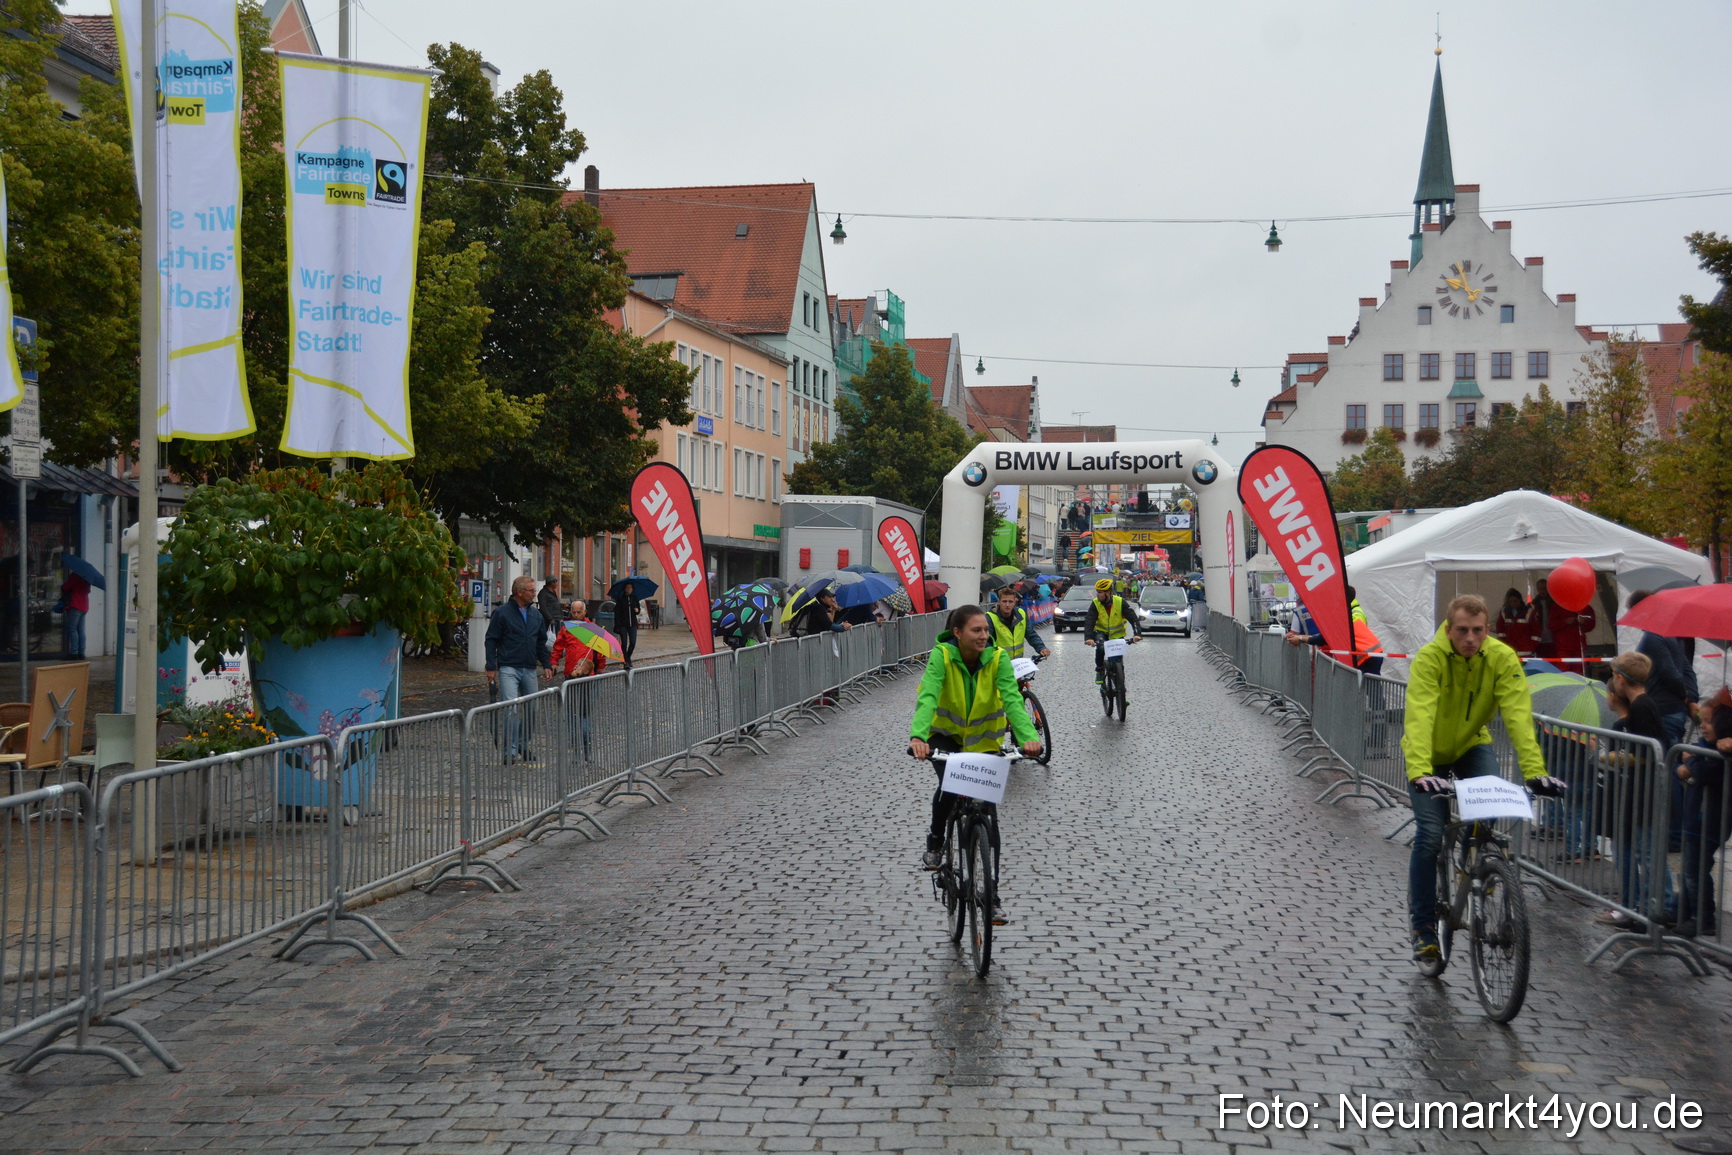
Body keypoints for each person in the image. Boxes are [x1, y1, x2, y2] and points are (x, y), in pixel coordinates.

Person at [1404, 594, 1562, 962]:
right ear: (1448, 628)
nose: (1470, 639)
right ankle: (1424, 927)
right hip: (1428, 752)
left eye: (1477, 631)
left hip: (1473, 745)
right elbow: (1419, 717)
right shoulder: (1430, 658)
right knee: (1429, 836)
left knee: (1490, 807)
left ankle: (1473, 864)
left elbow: (1519, 718)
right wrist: (1420, 771)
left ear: (1488, 629)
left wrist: (1536, 773)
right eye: (1462, 630)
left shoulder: (1502, 658)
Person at [908, 604, 1043, 925]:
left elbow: (1012, 699)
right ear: (957, 633)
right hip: (945, 738)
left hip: (984, 742)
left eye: (986, 630)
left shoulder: (998, 660)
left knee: (990, 821)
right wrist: (918, 737)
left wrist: (1027, 738)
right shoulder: (941, 656)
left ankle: (991, 896)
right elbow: (928, 695)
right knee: (951, 787)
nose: (984, 636)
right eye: (976, 630)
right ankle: (936, 840)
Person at [1596, 651, 1672, 928]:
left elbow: (1652, 750)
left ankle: (1657, 912)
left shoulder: (1642, 707)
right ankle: (1650, 909)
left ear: (1619, 679)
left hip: (1647, 790)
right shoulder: (1643, 704)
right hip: (1643, 790)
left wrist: (1612, 757)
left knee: (1649, 855)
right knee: (1645, 853)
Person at [1677, 702, 1732, 938]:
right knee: (1690, 869)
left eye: (1708, 721)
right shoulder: (1707, 746)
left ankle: (1703, 918)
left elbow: (1702, 773)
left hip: (1709, 821)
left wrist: (1689, 761)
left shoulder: (1720, 754)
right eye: (1702, 720)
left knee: (1696, 870)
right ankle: (1682, 911)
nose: (1703, 726)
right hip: (1695, 820)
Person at [485, 575, 553, 762]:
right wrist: (491, 666)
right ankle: (510, 750)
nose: (534, 594)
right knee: (511, 708)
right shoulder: (502, 613)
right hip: (508, 667)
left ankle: (522, 743)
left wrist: (546, 664)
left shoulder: (535, 615)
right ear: (520, 592)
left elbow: (541, 642)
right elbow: (491, 640)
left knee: (533, 708)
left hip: (529, 667)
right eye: (531, 591)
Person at [1627, 589, 1698, 746]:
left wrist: (1684, 696)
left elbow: (1671, 674)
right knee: (1673, 756)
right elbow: (1688, 671)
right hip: (1676, 710)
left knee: (1664, 760)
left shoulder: (1652, 637)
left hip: (1662, 709)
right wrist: (1691, 698)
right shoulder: (1671, 634)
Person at [1083, 577, 1140, 685]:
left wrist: (1137, 634)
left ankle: (1121, 691)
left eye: (1100, 592)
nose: (1097, 595)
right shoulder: (1095, 603)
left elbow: (1133, 619)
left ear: (1108, 593)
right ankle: (1099, 670)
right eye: (1097, 592)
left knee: (1118, 662)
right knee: (1100, 648)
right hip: (1102, 633)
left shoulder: (1120, 602)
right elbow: (1089, 621)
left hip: (1117, 635)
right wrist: (1089, 638)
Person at [1533, 578, 1596, 670]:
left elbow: (1591, 624)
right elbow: (1551, 625)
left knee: (1578, 671)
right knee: (1562, 671)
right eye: (1540, 589)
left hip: (1575, 645)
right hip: (1559, 645)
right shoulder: (1555, 606)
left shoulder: (1584, 607)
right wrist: (1565, 622)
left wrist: (1584, 622)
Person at [988, 587, 1049, 661]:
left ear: (1015, 602)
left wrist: (1041, 648)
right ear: (999, 602)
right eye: (1004, 601)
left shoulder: (1021, 614)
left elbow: (1031, 634)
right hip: (998, 664)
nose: (1007, 605)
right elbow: (987, 644)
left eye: (1010, 602)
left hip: (1018, 664)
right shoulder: (990, 618)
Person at [58, 566, 92, 660]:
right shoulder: (87, 577)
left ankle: (74, 653)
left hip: (75, 604)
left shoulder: (75, 575)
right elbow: (88, 590)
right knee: (81, 630)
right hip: (84, 605)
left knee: (73, 629)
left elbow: (66, 587)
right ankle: (81, 653)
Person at [1494, 588, 1534, 658]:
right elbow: (1500, 630)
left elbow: (1536, 632)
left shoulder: (1529, 612)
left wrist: (1530, 647)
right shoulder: (1504, 612)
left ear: (1520, 600)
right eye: (1511, 601)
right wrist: (1503, 644)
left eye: (1515, 601)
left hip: (1525, 652)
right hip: (1509, 650)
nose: (1513, 603)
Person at [536, 578, 563, 649]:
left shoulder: (553, 592)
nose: (557, 584)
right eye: (556, 582)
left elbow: (554, 603)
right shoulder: (543, 593)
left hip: (556, 617)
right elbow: (543, 607)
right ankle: (545, 651)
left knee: (556, 636)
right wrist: (550, 618)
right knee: (546, 637)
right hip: (548, 619)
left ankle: (554, 650)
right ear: (552, 583)